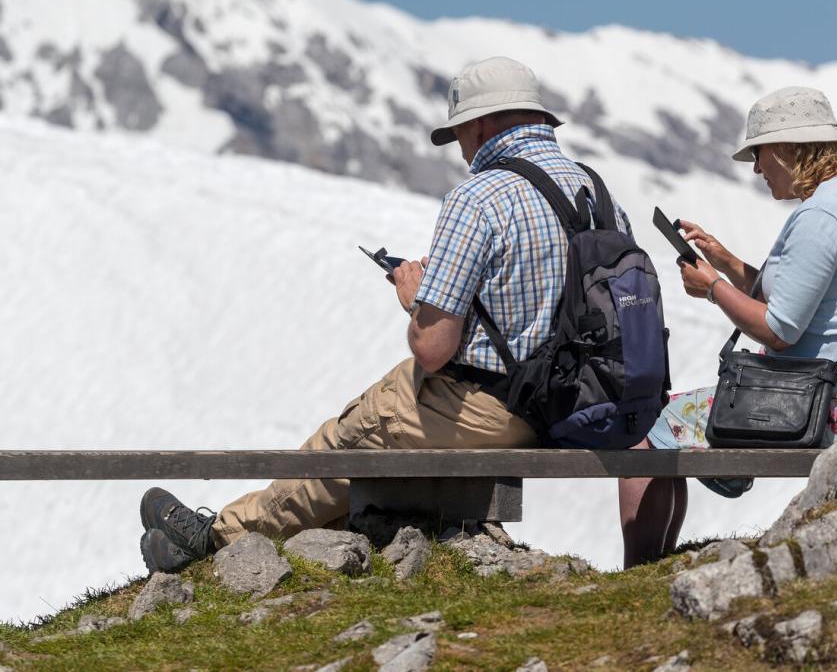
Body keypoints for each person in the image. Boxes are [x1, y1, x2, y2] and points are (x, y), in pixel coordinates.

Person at [139, 56, 631, 572]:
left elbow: (433, 348)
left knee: (356, 432)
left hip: (494, 413)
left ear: (481, 122)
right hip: (579, 407)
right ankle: (279, 544)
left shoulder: (479, 197)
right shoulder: (598, 192)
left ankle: (216, 540)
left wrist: (415, 300)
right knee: (388, 409)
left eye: (460, 130)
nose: (462, 147)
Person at [618, 86, 837, 567]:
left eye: (758, 155)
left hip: (820, 404)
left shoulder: (823, 214)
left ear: (786, 149)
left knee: (645, 428)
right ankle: (652, 564)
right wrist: (727, 262)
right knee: (668, 426)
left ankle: (640, 568)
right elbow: (809, 304)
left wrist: (712, 287)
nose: (756, 169)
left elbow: (779, 331)